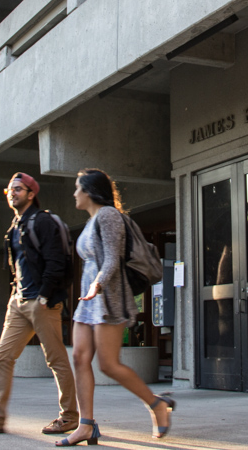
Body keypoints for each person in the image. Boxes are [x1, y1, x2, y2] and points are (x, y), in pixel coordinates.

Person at [56, 168, 174, 447]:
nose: (74, 193)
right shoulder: (91, 221)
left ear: (89, 191)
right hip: (90, 301)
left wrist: (97, 286)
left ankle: (156, 404)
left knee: (108, 364)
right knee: (79, 358)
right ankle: (86, 425)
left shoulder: (108, 216)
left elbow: (111, 259)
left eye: (77, 188)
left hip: (109, 299)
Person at [0, 172, 79, 435]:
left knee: (55, 359)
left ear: (31, 194)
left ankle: (70, 415)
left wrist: (43, 296)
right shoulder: (14, 227)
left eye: (18, 189)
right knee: (3, 356)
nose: (12, 193)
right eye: (9, 189)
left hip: (42, 302)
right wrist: (16, 295)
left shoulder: (42, 222)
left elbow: (55, 262)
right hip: (19, 302)